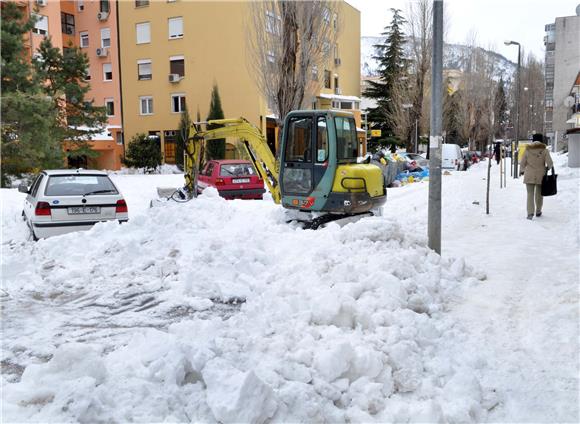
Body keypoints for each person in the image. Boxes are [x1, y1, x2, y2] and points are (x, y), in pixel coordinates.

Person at [519, 133, 553, 220]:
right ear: (541, 140)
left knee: (530, 194)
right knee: (539, 194)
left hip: (529, 175)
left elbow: (522, 163)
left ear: (533, 140)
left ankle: (530, 213)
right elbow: (550, 163)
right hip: (540, 175)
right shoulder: (544, 150)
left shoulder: (527, 150)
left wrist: (522, 171)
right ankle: (538, 211)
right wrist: (546, 169)